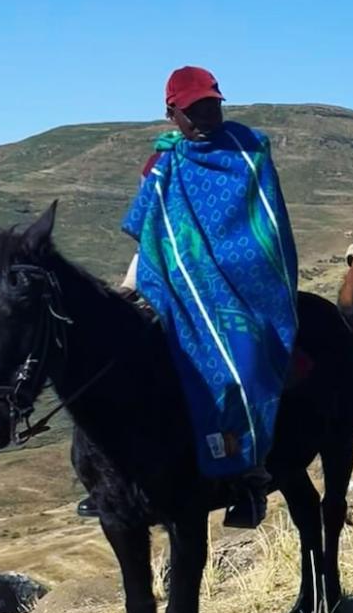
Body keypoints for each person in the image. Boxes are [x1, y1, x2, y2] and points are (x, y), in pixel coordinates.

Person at [119, 66, 300, 528]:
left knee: (241, 365)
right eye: (193, 109)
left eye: (211, 105)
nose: (205, 116)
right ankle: (118, 477)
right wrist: (130, 289)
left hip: (247, 288)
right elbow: (151, 236)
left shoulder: (248, 149)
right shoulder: (161, 166)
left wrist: (226, 275)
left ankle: (249, 473)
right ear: (171, 114)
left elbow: (264, 228)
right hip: (179, 287)